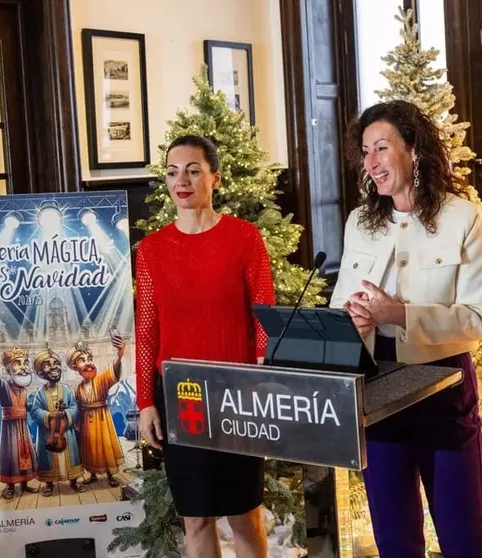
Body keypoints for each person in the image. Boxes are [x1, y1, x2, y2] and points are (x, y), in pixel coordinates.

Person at [331, 100, 482, 558]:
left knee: (464, 536)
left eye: (381, 148)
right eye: (365, 151)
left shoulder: (461, 217)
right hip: (375, 391)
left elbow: (480, 316)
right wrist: (354, 319)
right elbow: (341, 303)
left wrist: (400, 315)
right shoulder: (359, 223)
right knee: (394, 539)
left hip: (442, 388)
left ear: (414, 150)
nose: (371, 162)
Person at [136, 134, 274, 558]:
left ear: (215, 178)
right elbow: (147, 330)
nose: (182, 181)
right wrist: (146, 402)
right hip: (181, 396)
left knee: (245, 516)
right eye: (173, 172)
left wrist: (263, 379)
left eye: (193, 171)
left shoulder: (244, 237)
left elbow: (264, 316)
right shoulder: (152, 250)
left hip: (238, 393)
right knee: (196, 518)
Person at [0, 345, 37, 499]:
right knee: (11, 456)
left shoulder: (24, 390)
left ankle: (24, 483)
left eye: (25, 363)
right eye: (18, 363)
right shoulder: (4, 386)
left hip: (23, 428)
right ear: (9, 369)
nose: (23, 367)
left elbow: (26, 406)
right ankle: (10, 486)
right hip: (10, 430)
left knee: (25, 454)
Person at [27, 345, 85, 496]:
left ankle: (74, 481)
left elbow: (74, 407)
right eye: (48, 365)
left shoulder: (66, 390)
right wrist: (49, 415)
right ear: (41, 373)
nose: (54, 367)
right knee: (48, 458)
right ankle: (49, 483)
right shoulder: (40, 393)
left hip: (66, 433)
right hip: (48, 432)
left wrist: (66, 413)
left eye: (56, 363)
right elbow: (35, 411)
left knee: (71, 455)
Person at [70, 334, 126, 488]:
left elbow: (113, 371)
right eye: (82, 360)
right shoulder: (78, 388)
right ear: (75, 367)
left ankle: (109, 475)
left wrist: (120, 355)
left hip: (102, 419)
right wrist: (77, 424)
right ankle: (93, 474)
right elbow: (78, 406)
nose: (88, 363)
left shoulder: (101, 379)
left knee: (105, 445)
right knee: (90, 448)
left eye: (89, 358)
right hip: (86, 422)